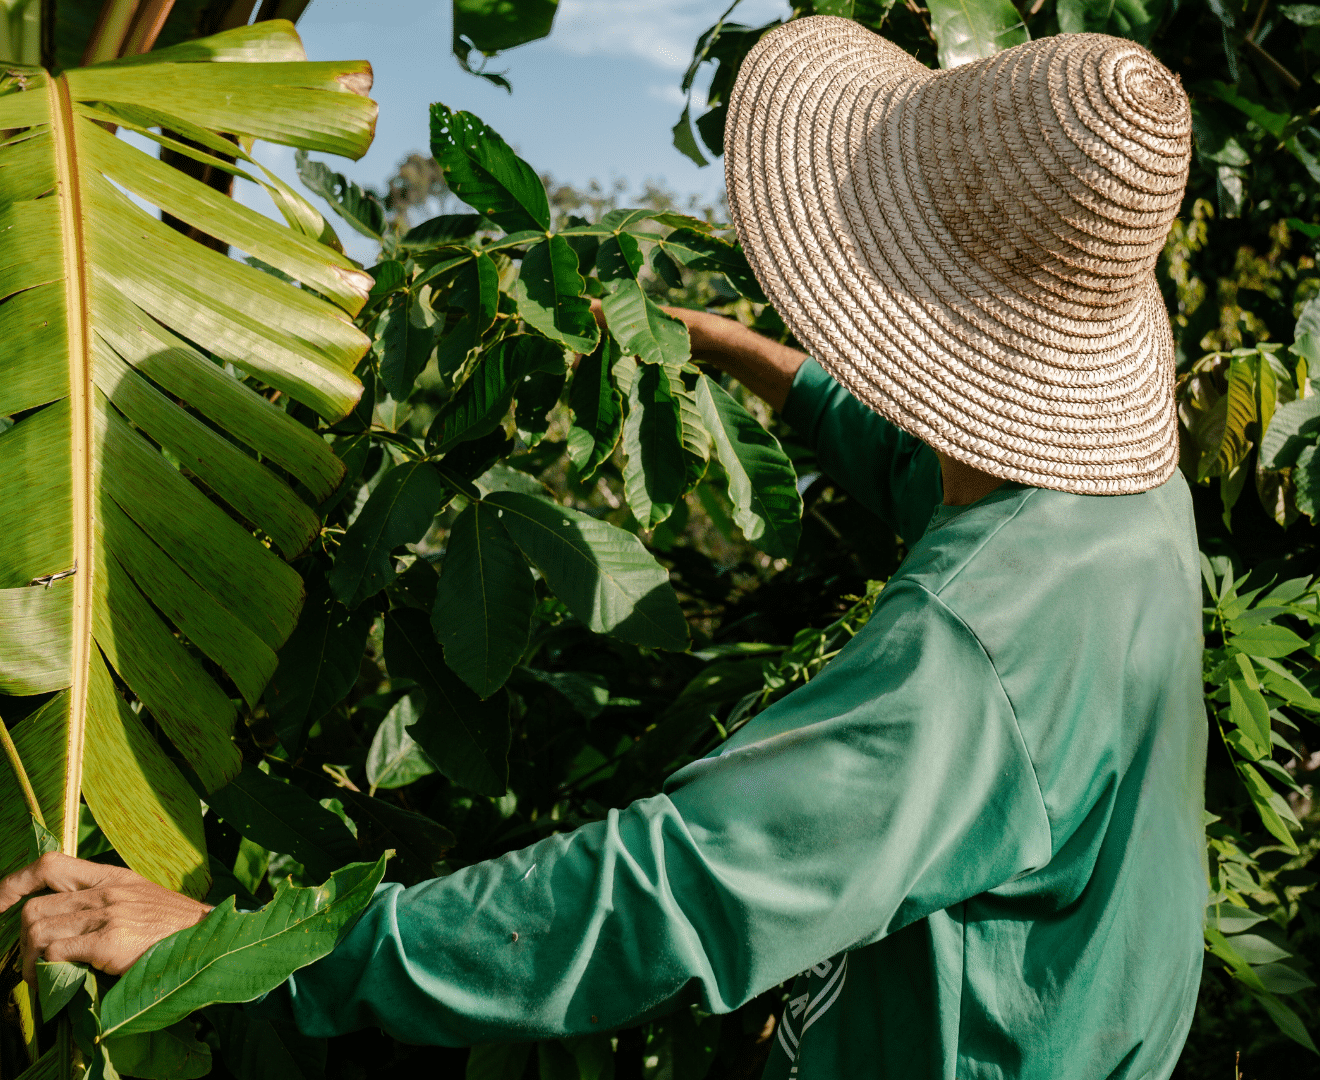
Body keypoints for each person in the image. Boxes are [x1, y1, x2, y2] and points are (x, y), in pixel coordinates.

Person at [0, 16, 1208, 1079]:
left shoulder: (965, 650)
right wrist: (728, 349)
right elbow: (914, 456)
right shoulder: (1122, 496)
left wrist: (257, 948)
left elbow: (670, 893)